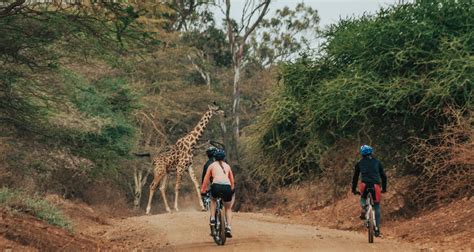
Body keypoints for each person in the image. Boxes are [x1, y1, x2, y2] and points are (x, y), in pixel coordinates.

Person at [351, 145, 387, 237]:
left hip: (364, 185)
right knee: (377, 206)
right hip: (376, 185)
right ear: (371, 152)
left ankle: (364, 207)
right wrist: (384, 188)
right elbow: (383, 176)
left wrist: (353, 189)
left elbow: (355, 178)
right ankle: (377, 229)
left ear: (362, 154)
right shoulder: (377, 162)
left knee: (363, 197)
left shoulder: (359, 163)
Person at [201, 149, 235, 238]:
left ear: (214, 158)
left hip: (216, 186)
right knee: (228, 208)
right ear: (224, 158)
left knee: (213, 200)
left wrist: (203, 191)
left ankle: (212, 219)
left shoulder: (211, 165)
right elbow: (232, 181)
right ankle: (228, 227)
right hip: (227, 187)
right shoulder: (227, 166)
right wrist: (231, 190)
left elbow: (206, 180)